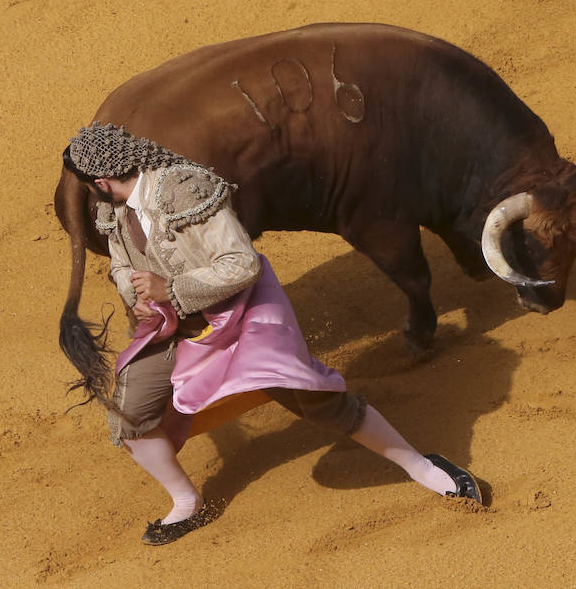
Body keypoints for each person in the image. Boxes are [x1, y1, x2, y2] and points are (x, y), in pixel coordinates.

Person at [63, 122, 481, 546]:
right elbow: (120, 263)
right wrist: (132, 289)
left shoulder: (184, 191)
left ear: (101, 181)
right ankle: (187, 503)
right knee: (128, 416)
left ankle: (422, 467)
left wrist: (168, 289)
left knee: (319, 401)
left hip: (243, 320)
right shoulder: (112, 209)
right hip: (173, 329)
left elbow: (241, 265)